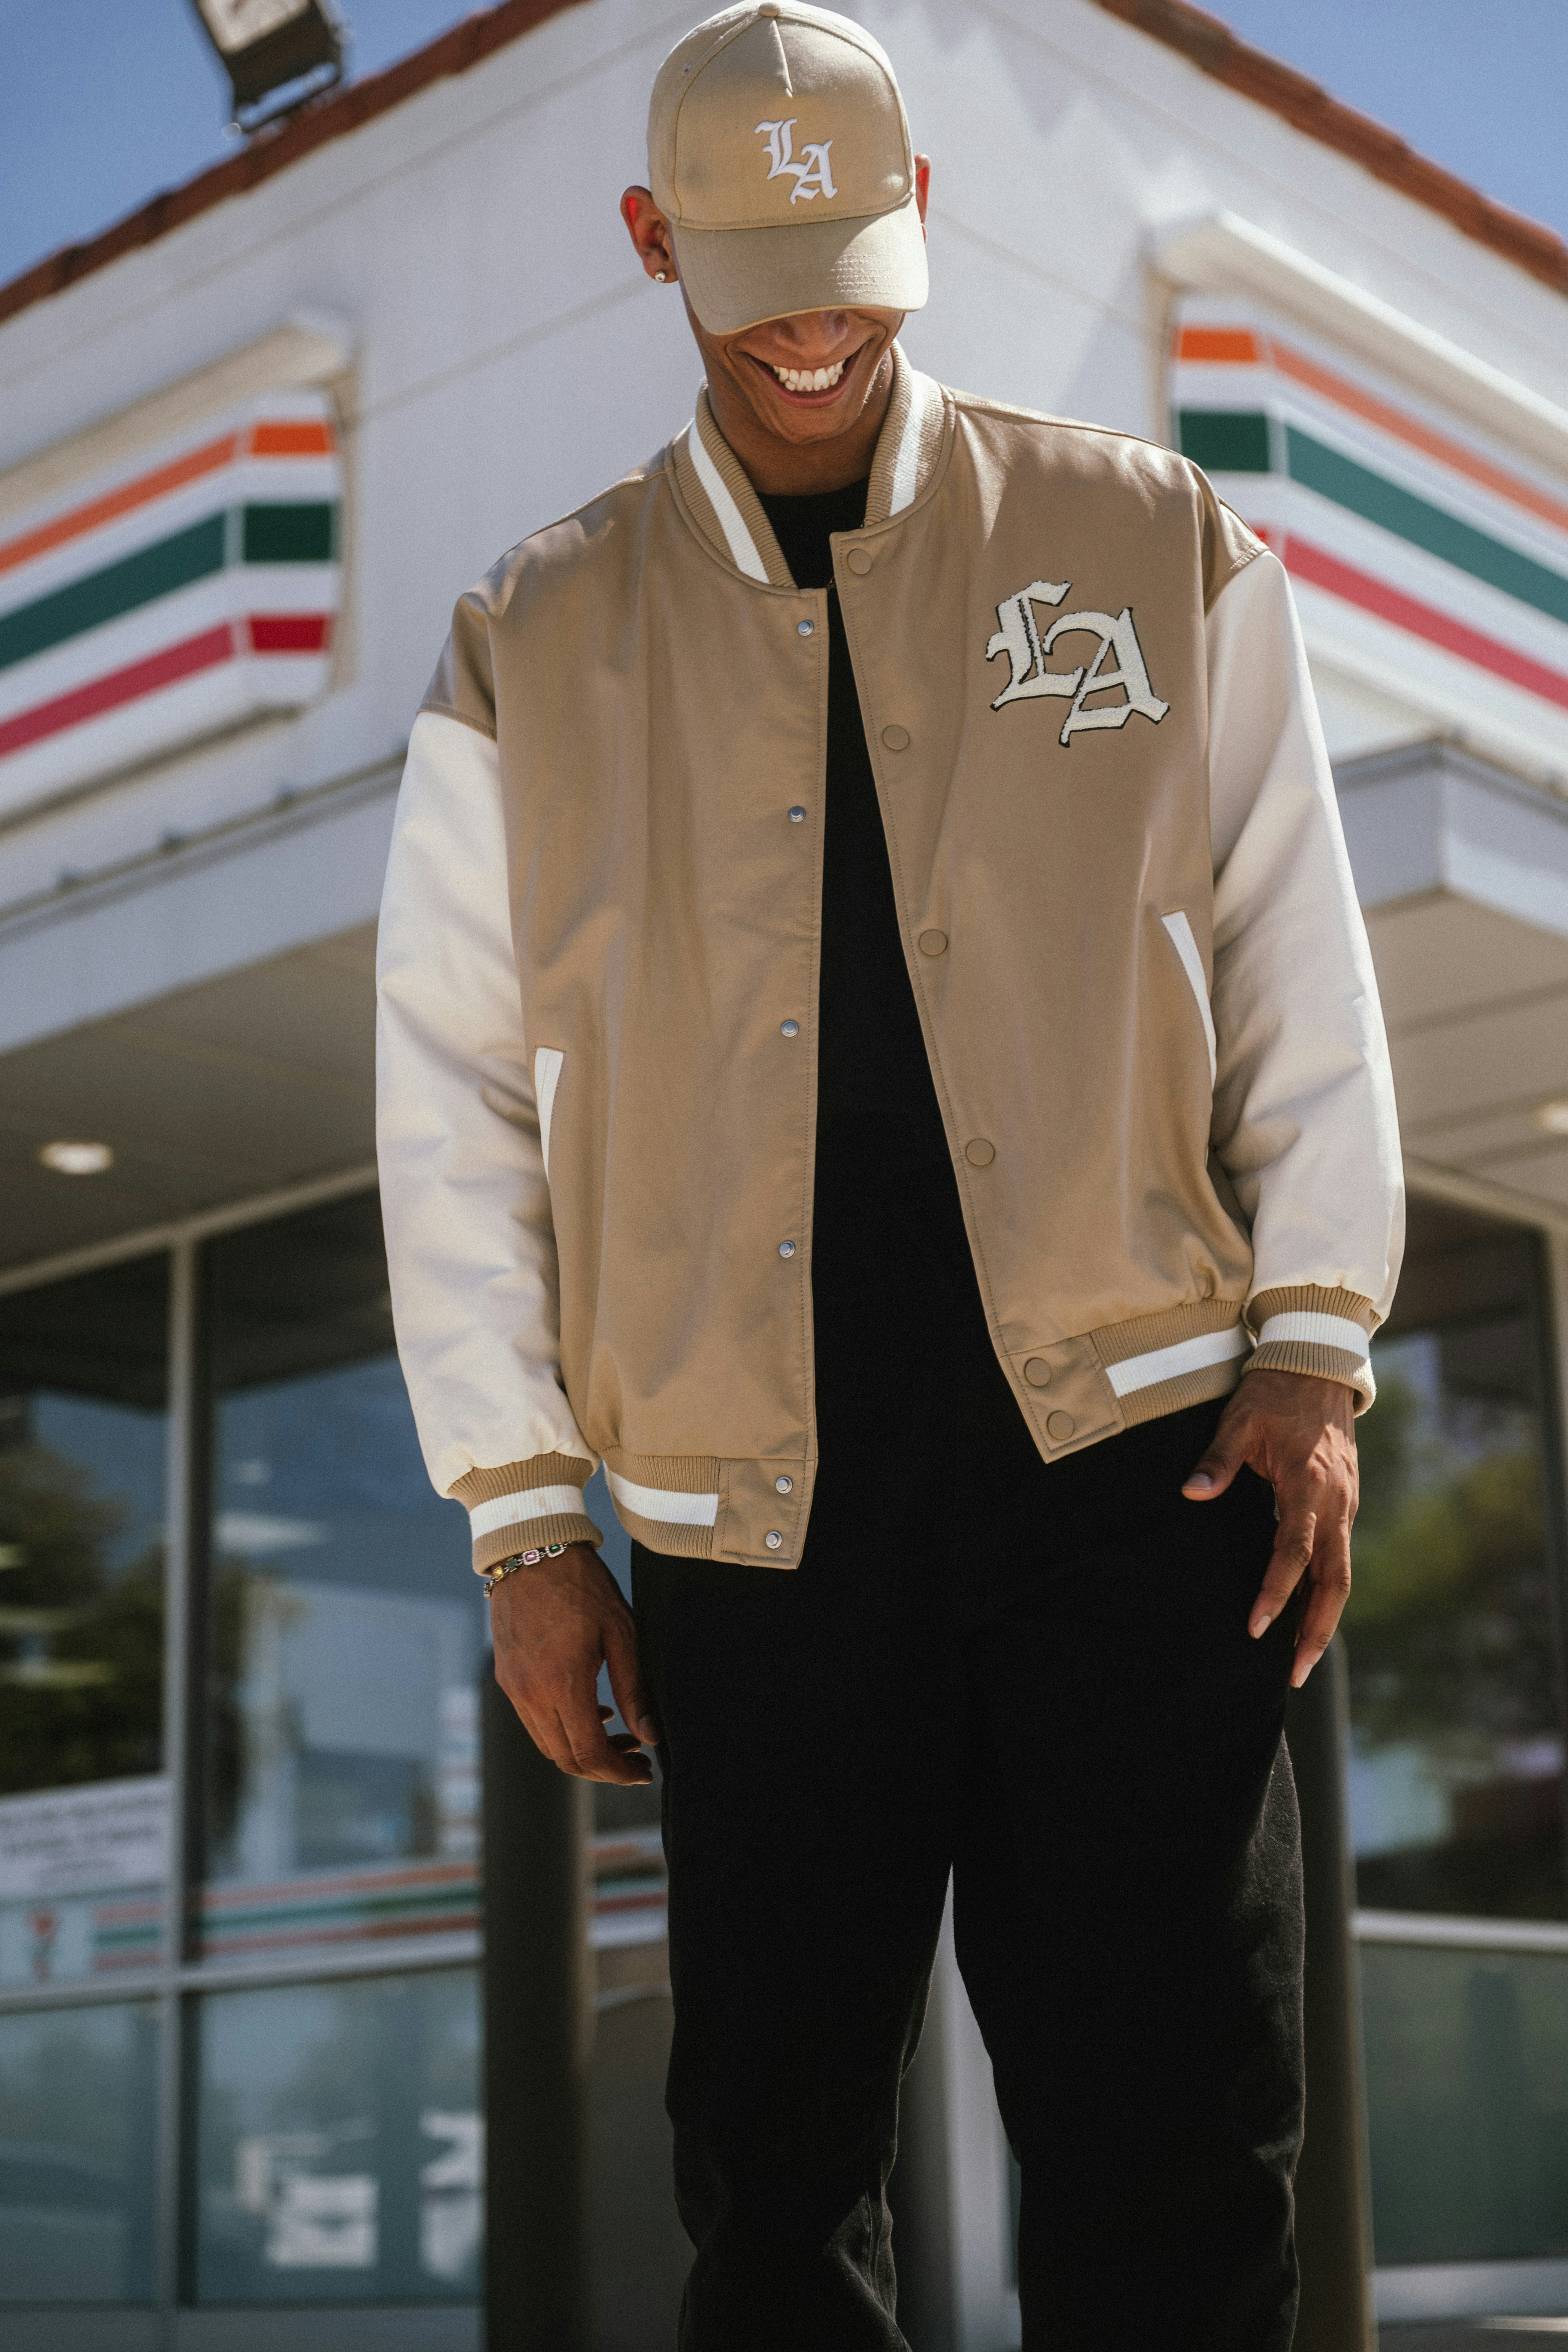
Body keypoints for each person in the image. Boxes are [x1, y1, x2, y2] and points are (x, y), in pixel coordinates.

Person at [376, 5, 1403, 2344]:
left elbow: (1296, 959)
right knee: (776, 2187)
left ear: (922, 208)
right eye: (757, 285)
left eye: (851, 268)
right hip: (751, 1512)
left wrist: (1318, 1346)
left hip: (1141, 1469)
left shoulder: (1146, 539)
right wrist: (524, 1518)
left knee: (1181, 2146)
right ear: (652, 242)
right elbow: (450, 1098)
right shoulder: (532, 636)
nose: (814, 332)